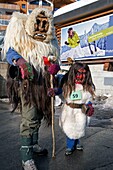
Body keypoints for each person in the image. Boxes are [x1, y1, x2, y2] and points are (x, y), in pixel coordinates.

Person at [59, 62, 95, 156]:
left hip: (81, 112)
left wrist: (89, 106)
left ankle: (77, 142)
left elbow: (89, 99)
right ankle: (70, 145)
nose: (81, 76)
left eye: (84, 74)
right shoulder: (67, 85)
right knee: (69, 128)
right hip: (69, 111)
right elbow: (60, 92)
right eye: (78, 73)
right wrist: (54, 91)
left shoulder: (87, 87)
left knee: (79, 127)